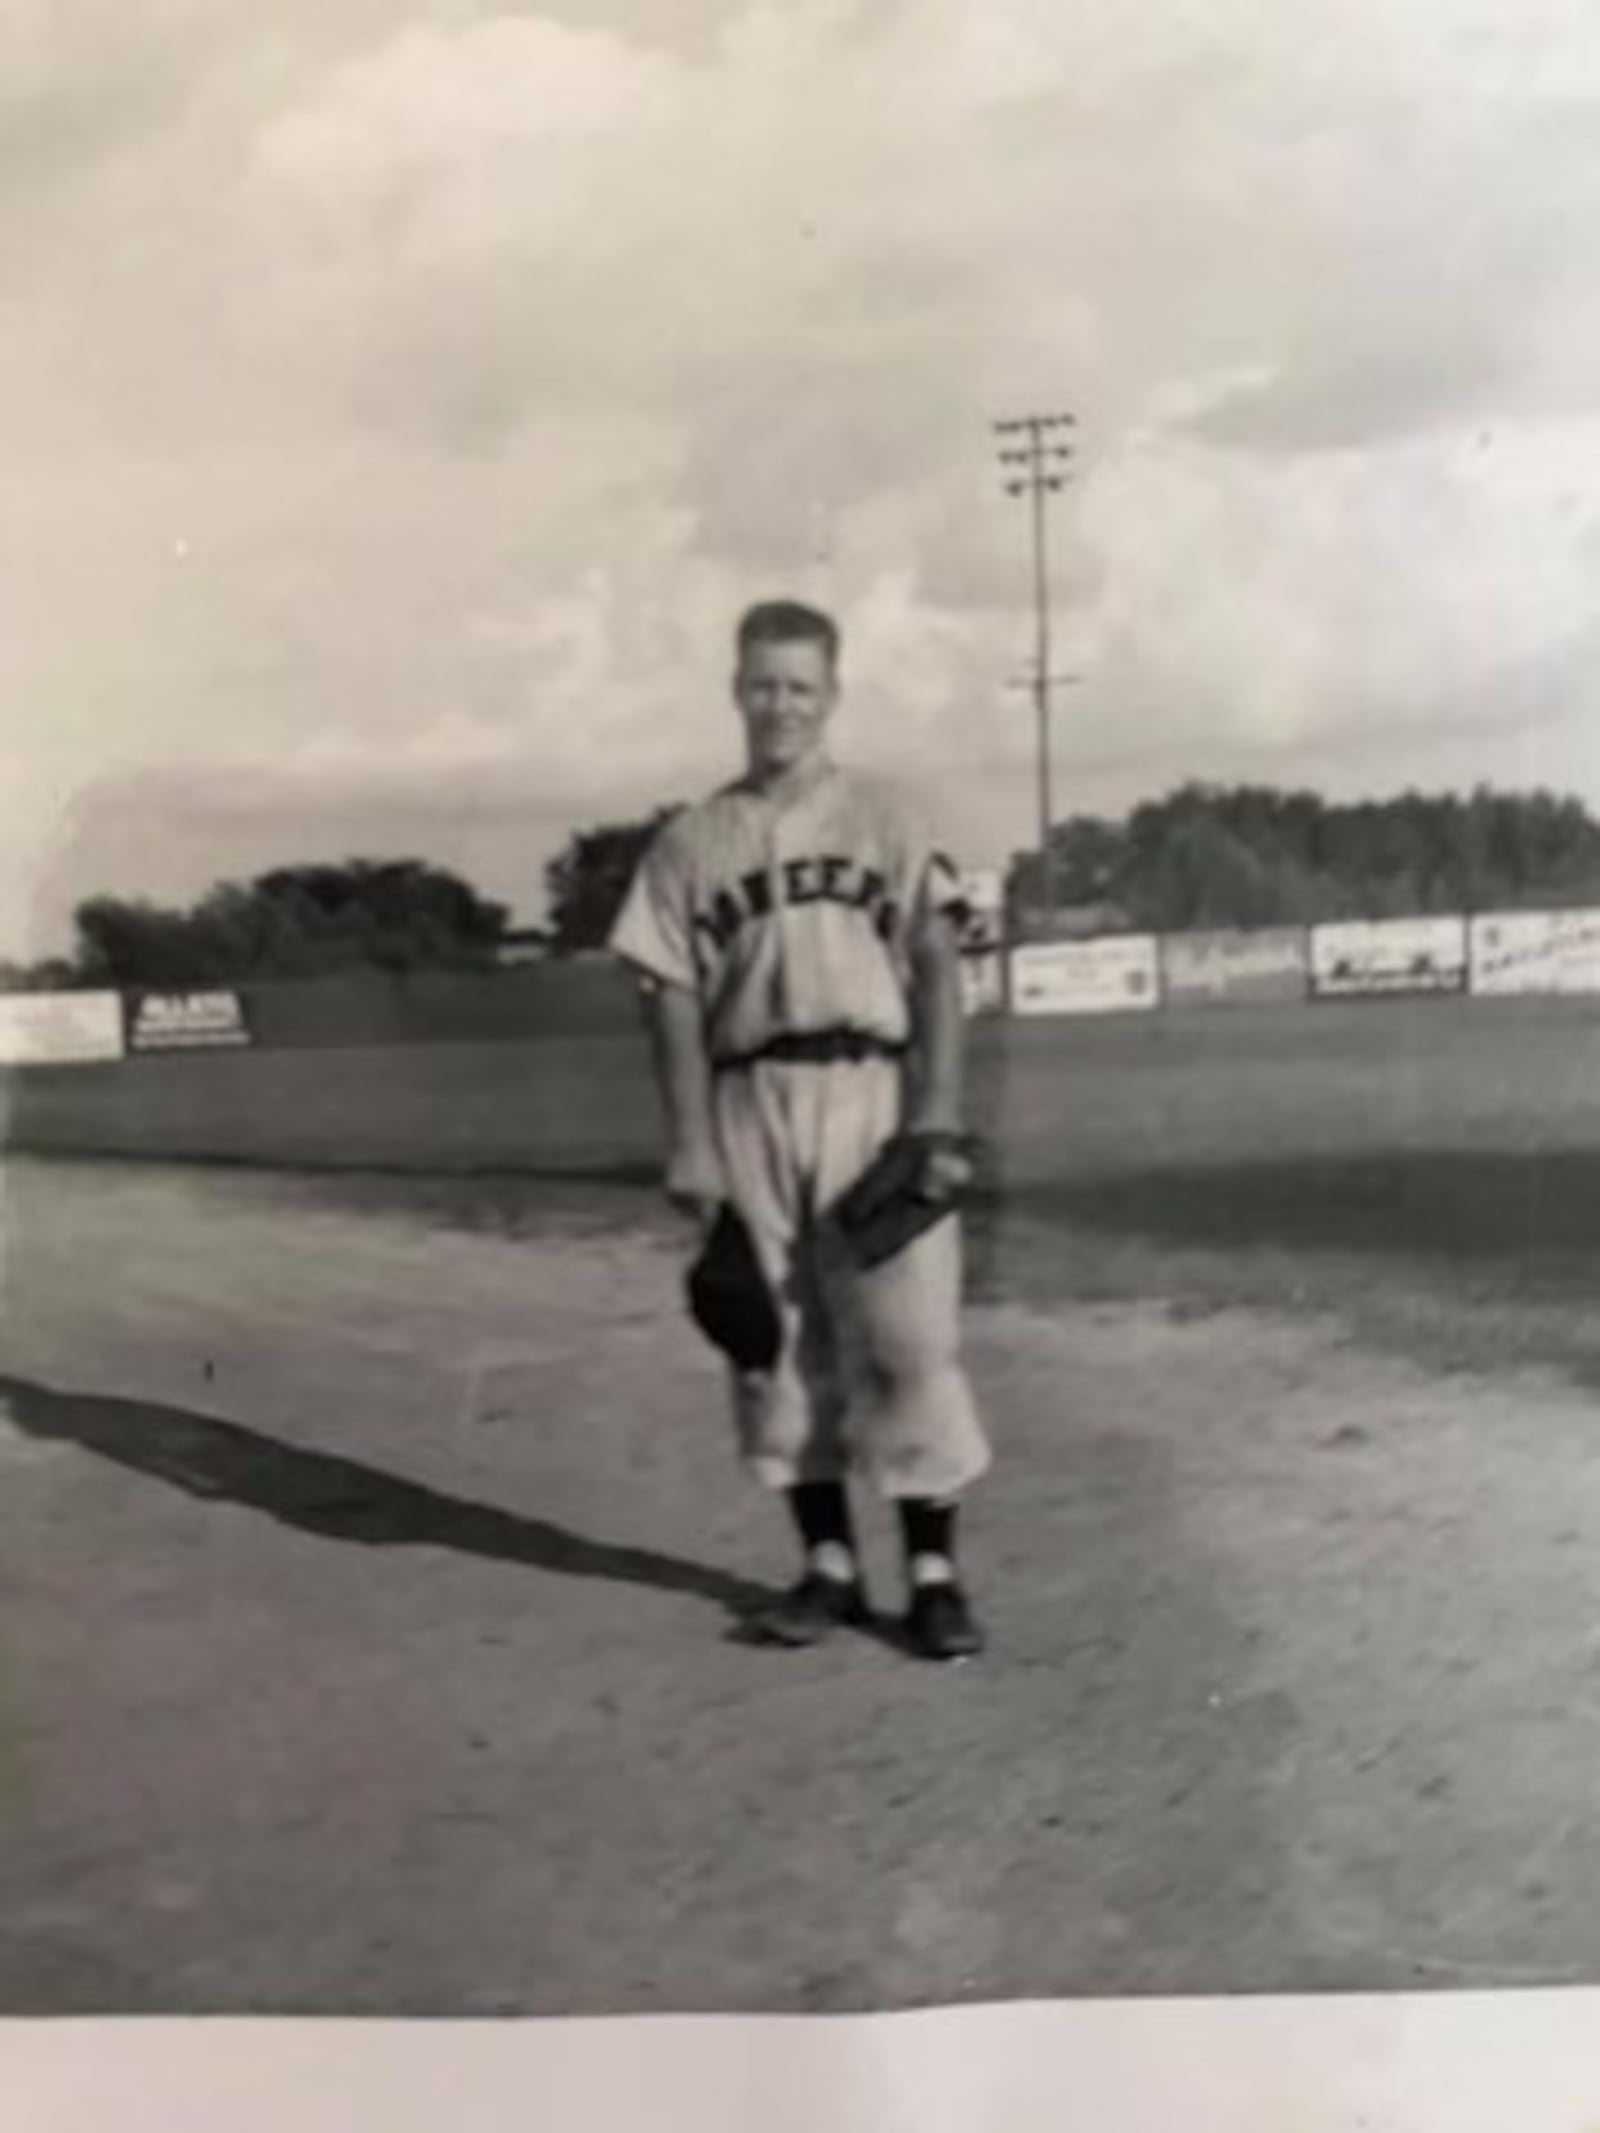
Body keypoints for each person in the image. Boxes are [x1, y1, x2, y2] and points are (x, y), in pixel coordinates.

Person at [608, 598, 991, 1661]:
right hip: (747, 1101)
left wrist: (941, 1105)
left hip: (871, 1093)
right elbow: (670, 994)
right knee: (773, 1346)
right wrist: (689, 1140)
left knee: (909, 1337)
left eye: (801, 687)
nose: (781, 704)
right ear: (736, 689)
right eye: (763, 684)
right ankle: (827, 1566)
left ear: (832, 696)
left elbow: (935, 963)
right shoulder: (690, 841)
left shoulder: (888, 816)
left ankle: (933, 1572)